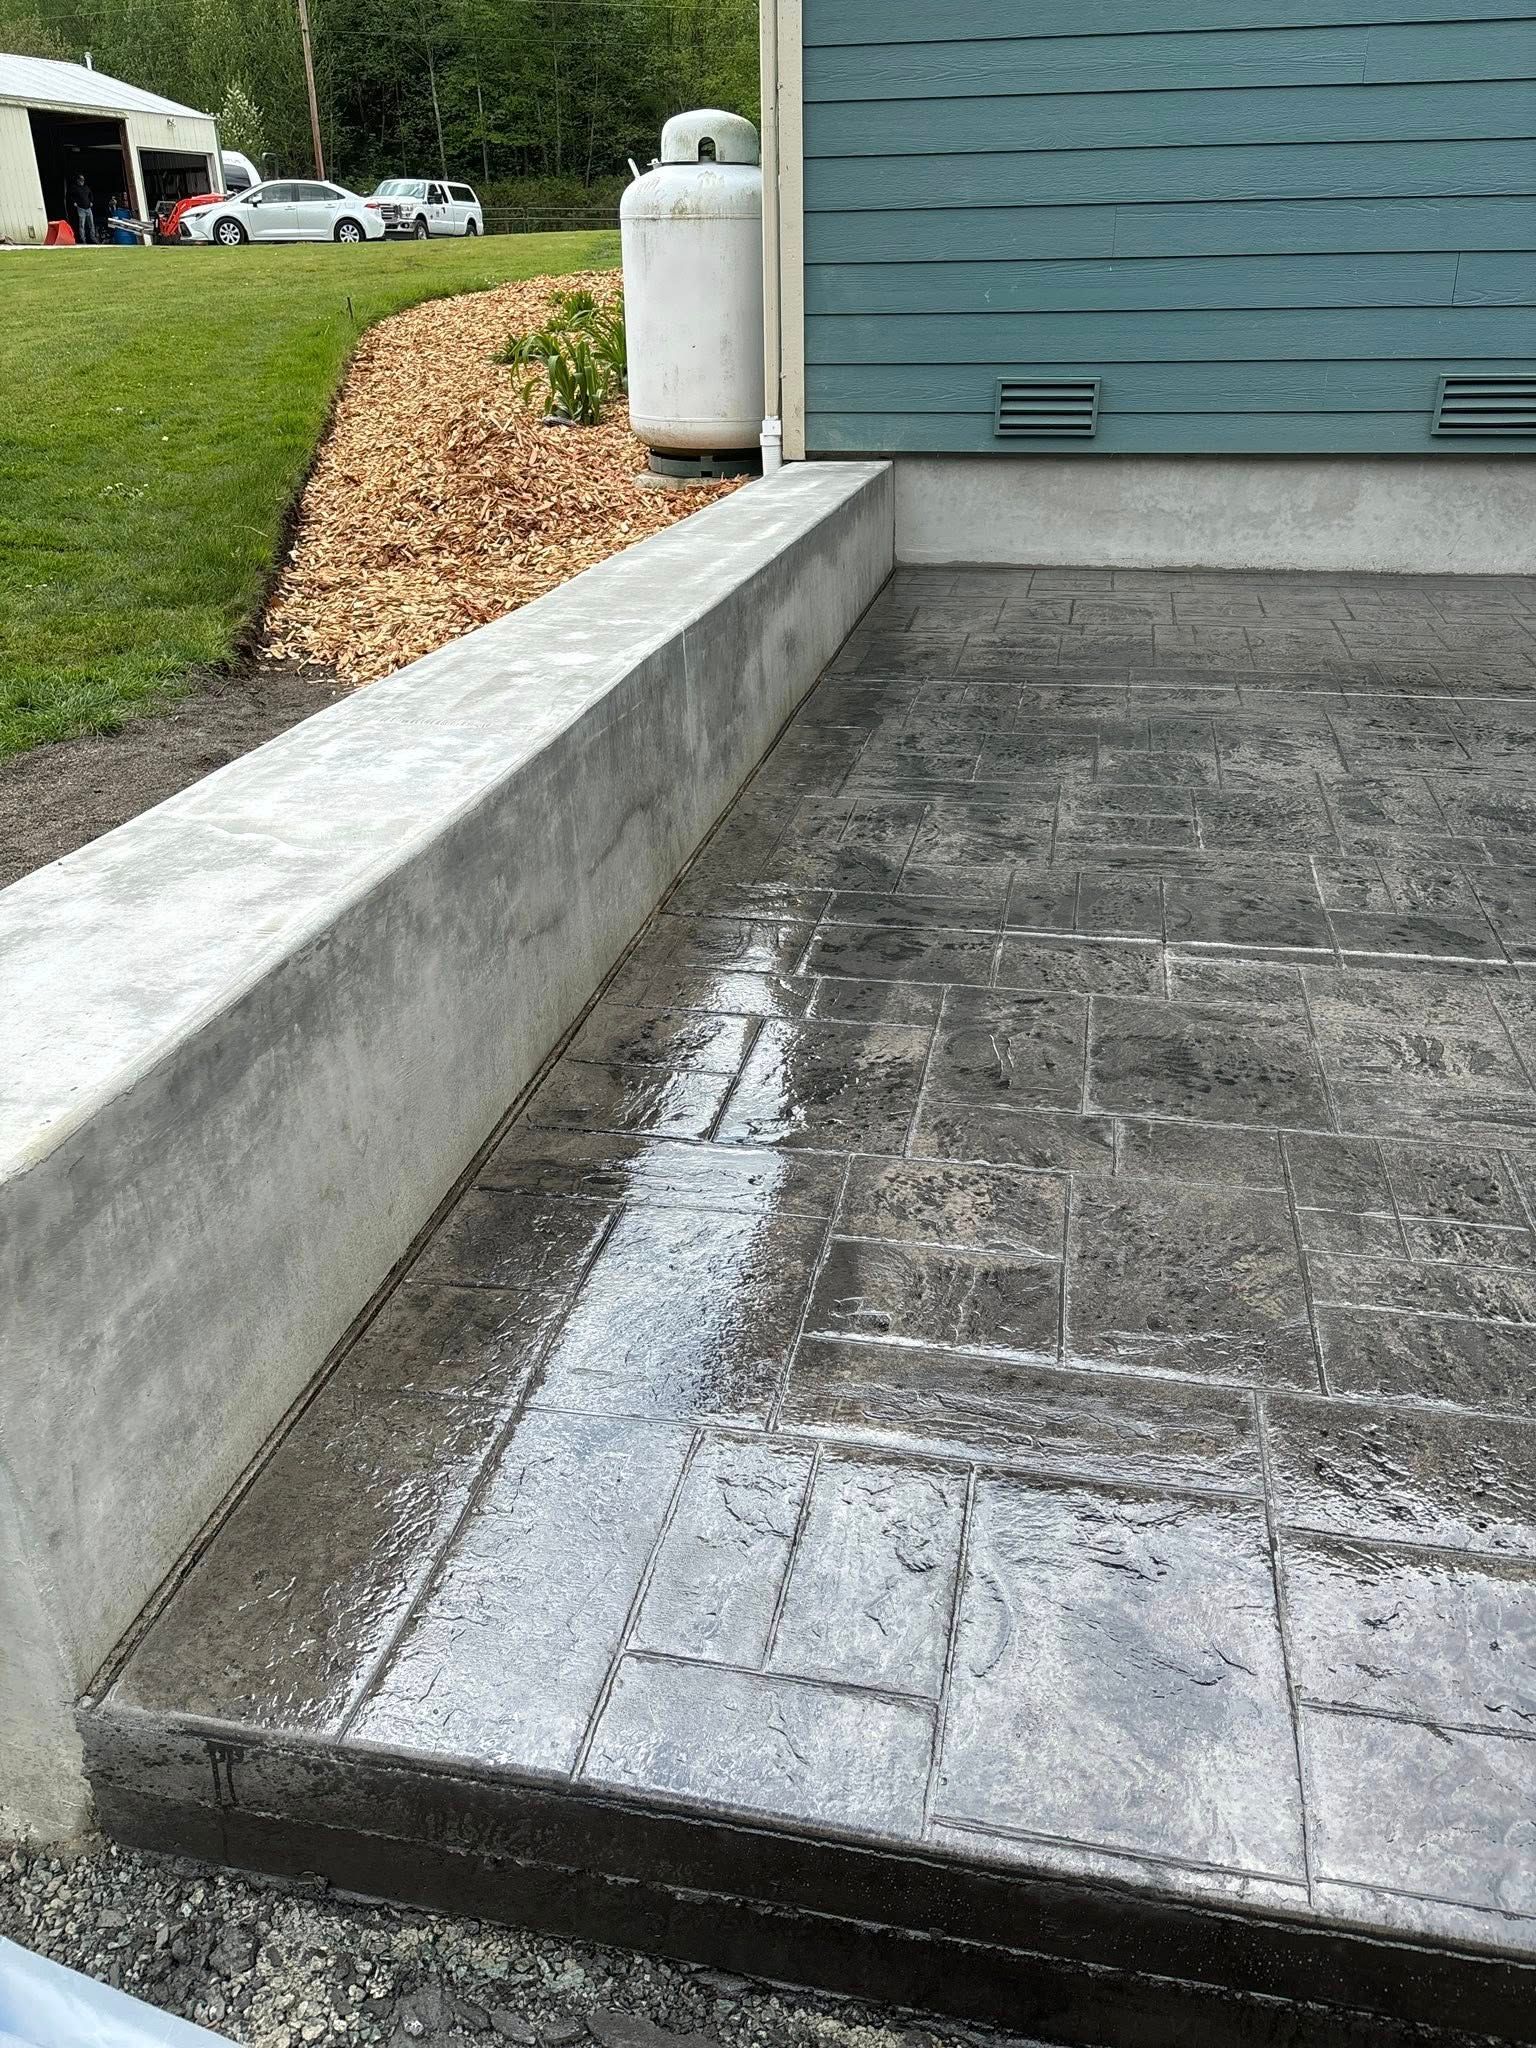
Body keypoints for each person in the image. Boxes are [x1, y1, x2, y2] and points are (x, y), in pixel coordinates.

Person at [69, 170, 96, 243]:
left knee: (91, 224)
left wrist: (91, 202)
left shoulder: (86, 187)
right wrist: (74, 202)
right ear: (78, 180)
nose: (82, 181)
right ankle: (83, 239)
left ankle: (93, 238)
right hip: (81, 208)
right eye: (81, 179)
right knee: (82, 225)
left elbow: (91, 194)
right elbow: (70, 196)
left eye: (83, 180)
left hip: (88, 208)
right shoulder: (74, 188)